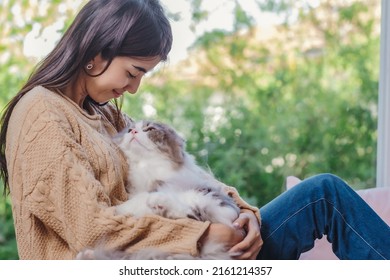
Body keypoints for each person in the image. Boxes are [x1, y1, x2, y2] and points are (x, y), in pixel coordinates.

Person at [0, 0, 388, 260]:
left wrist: (244, 213)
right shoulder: (40, 114)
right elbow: (88, 229)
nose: (134, 88)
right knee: (325, 195)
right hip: (154, 260)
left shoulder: (106, 116)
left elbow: (184, 170)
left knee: (323, 193)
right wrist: (200, 238)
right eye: (133, 72)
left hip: (191, 253)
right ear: (96, 54)